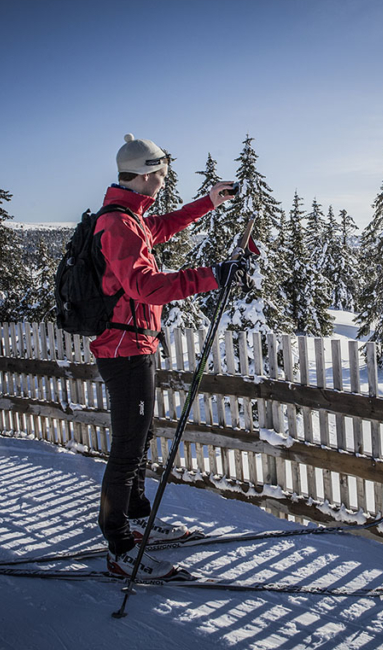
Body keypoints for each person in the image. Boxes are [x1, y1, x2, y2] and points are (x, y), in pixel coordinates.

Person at [92, 133, 238, 579]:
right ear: (146, 174)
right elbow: (144, 286)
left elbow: (164, 226)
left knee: (140, 436)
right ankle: (118, 543)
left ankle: (136, 519)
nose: (163, 182)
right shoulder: (118, 224)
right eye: (161, 174)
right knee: (127, 447)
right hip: (124, 348)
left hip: (137, 343)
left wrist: (207, 202)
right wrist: (211, 276)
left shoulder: (129, 217)